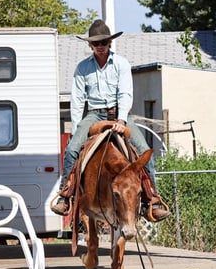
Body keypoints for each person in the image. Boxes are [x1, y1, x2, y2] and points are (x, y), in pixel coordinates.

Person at [50, 19, 170, 222]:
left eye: (104, 42)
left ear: (110, 43)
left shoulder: (121, 64)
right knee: (71, 149)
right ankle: (66, 194)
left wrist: (122, 120)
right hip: (94, 114)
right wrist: (77, 127)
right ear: (90, 45)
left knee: (143, 151)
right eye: (96, 43)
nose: (100, 47)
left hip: (119, 113)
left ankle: (152, 199)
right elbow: (78, 99)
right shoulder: (82, 68)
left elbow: (125, 93)